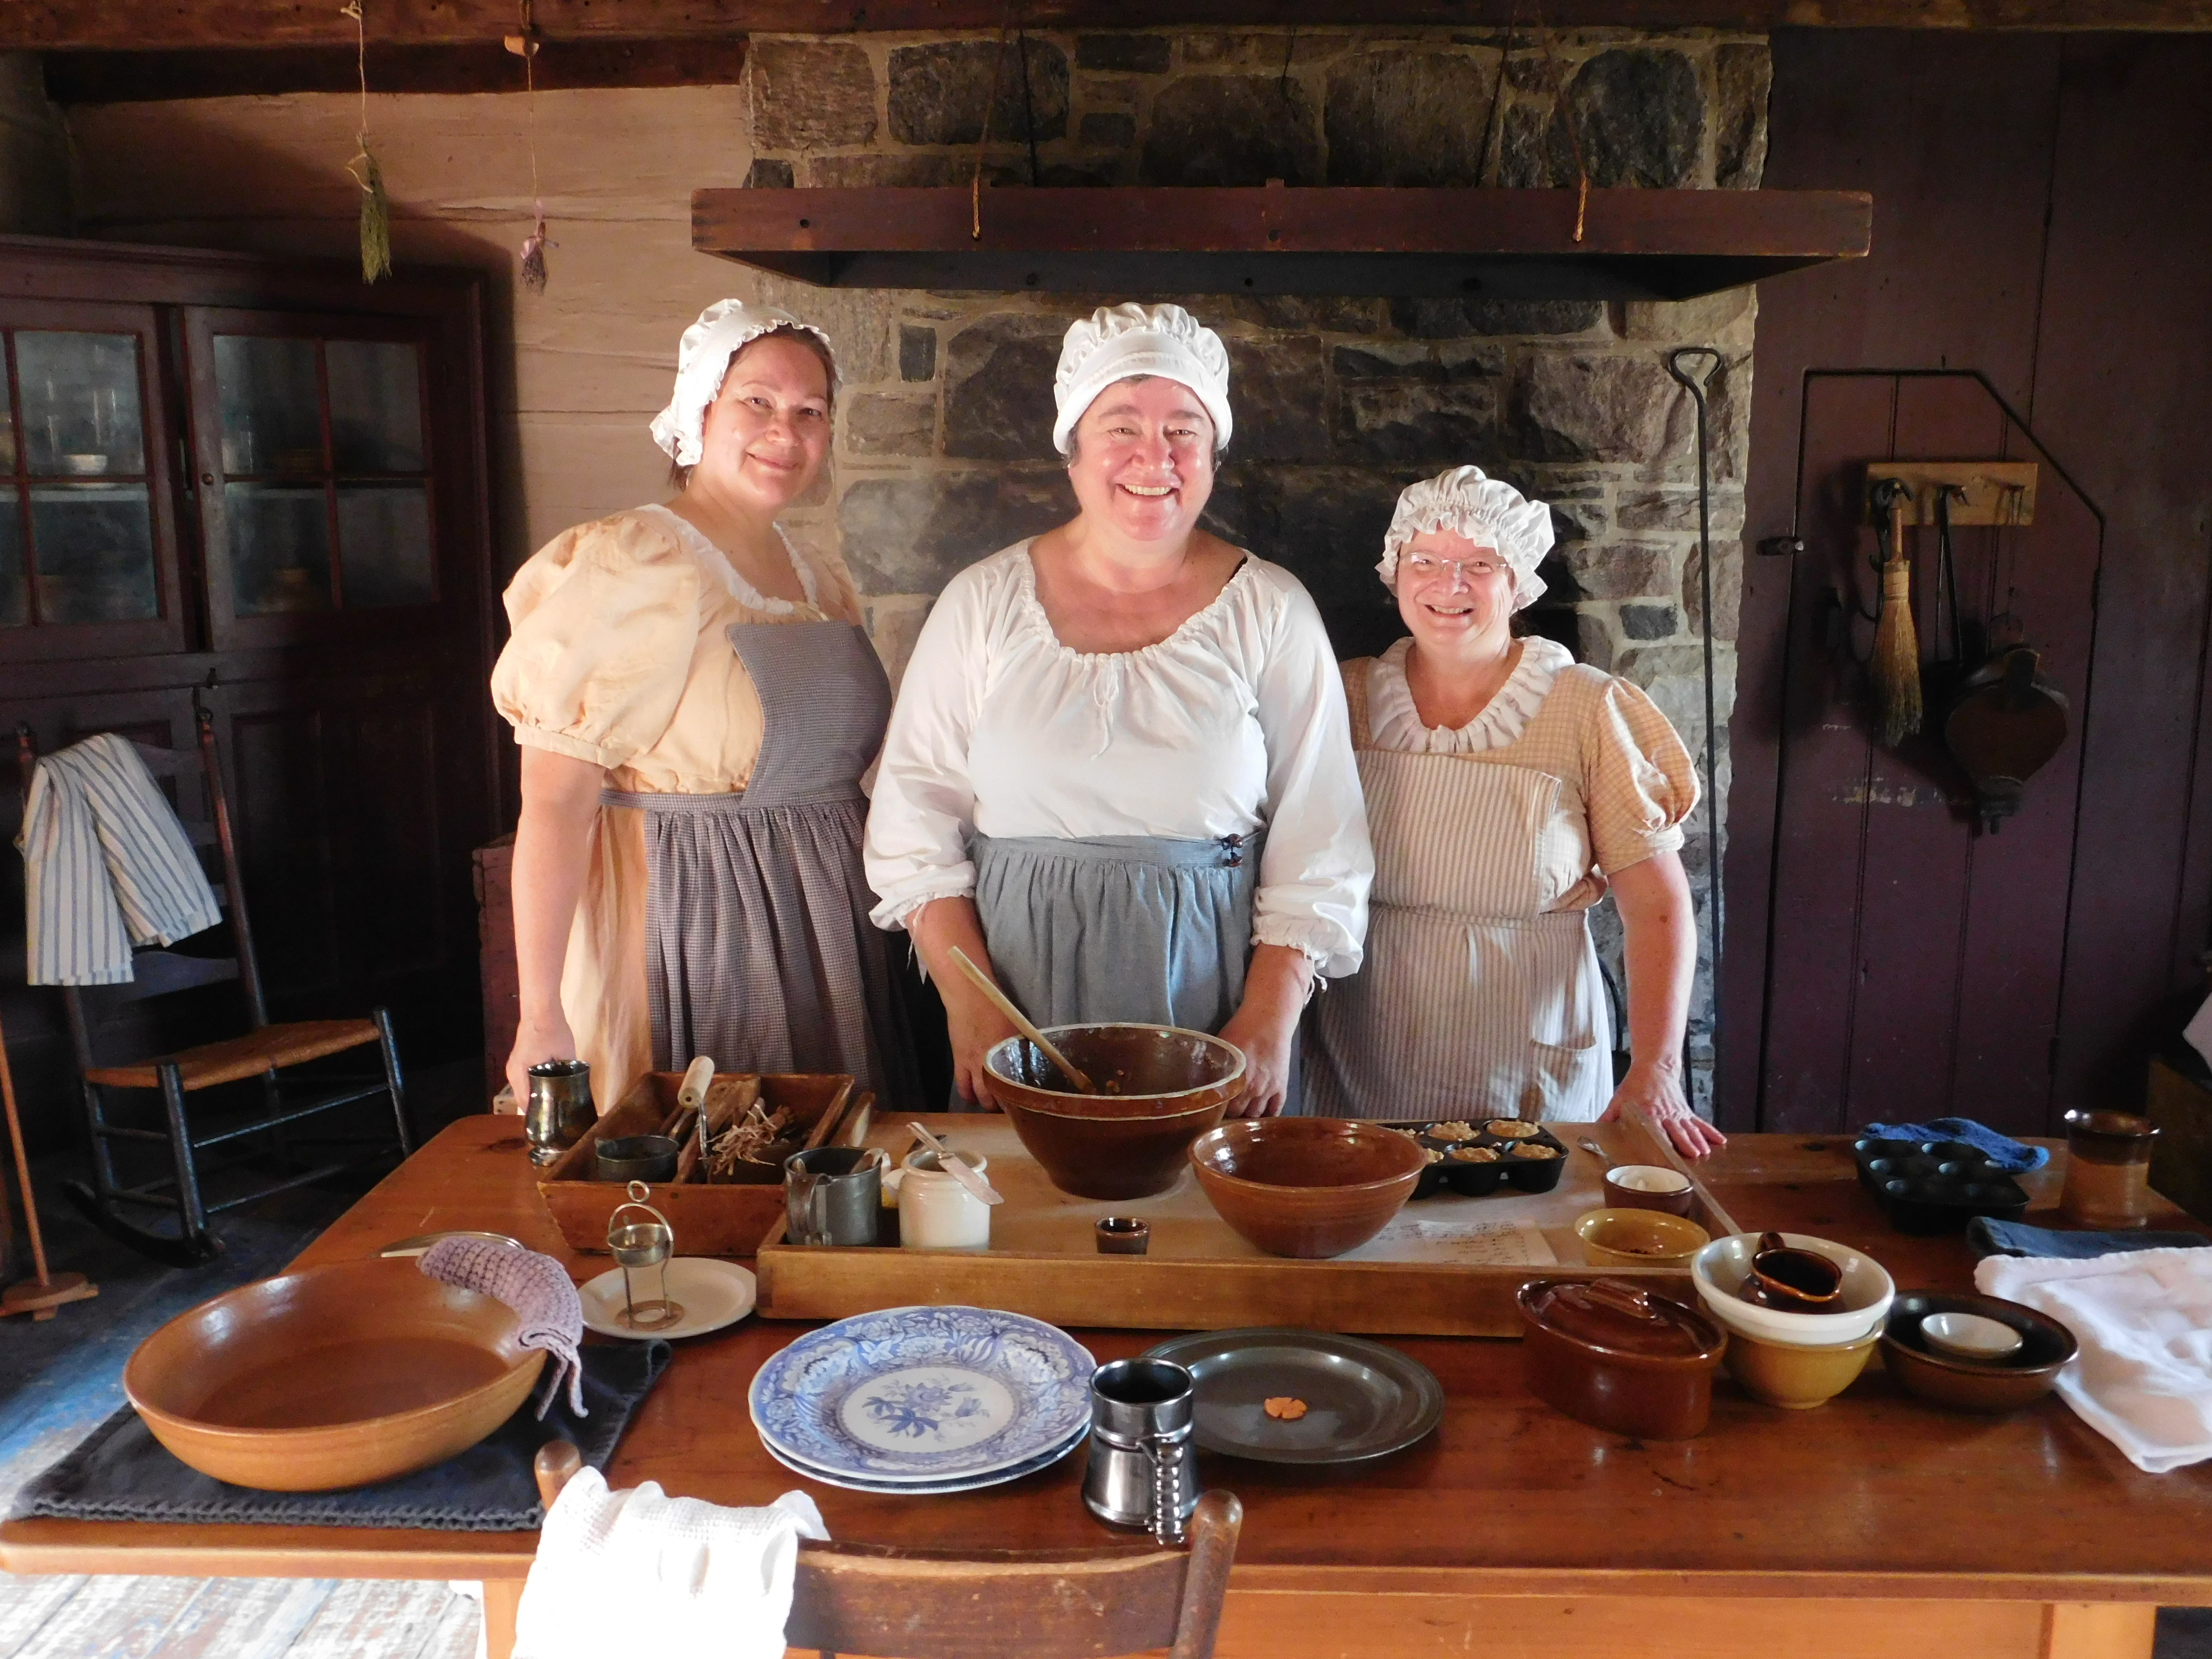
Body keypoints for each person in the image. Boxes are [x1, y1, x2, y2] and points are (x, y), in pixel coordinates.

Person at [863, 303, 1371, 1118]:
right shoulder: (984, 602)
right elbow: (913, 814)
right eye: (1122, 426)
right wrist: (970, 1000)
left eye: (1184, 430)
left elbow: (1323, 830)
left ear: (1213, 453)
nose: (1155, 457)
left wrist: (1270, 1017)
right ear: (1073, 448)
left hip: (1210, 989)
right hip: (1012, 985)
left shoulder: (1271, 610)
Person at [492, 300, 920, 1116]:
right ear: (701, 410)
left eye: (810, 412)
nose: (784, 432)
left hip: (827, 920)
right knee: (709, 1176)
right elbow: (554, 799)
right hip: (695, 914)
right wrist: (541, 1012)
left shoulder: (819, 576)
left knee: (834, 1177)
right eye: (757, 402)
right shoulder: (635, 559)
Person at [1305, 466, 1724, 1157]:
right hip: (1361, 1048)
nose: (1450, 584)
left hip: (1529, 1065)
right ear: (1395, 572)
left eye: (1479, 564)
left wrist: (1657, 1070)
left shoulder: (1587, 708)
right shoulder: (1343, 696)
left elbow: (1656, 907)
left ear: (1518, 581)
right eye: (1427, 561)